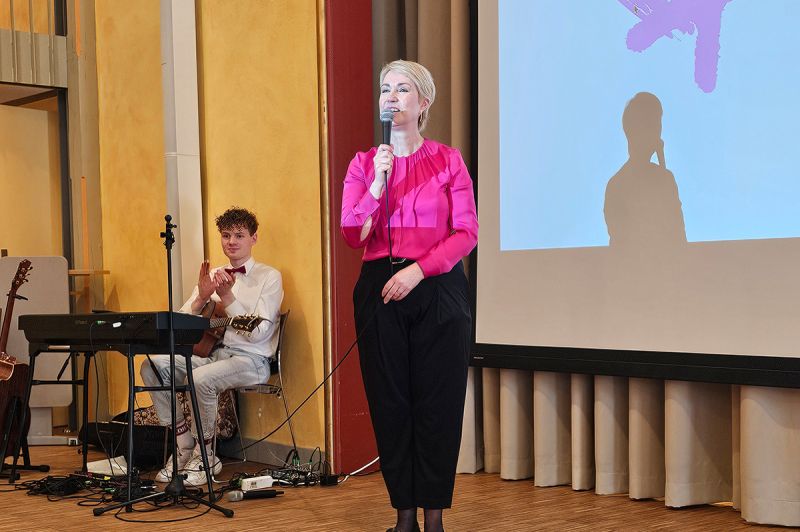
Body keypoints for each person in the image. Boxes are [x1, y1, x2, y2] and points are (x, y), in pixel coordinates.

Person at [341, 60, 478, 532]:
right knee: (391, 404)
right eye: (386, 89)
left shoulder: (448, 160)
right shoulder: (363, 164)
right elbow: (353, 234)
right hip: (379, 289)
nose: (392, 96)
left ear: (423, 103)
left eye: (403, 89)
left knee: (438, 405)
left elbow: (466, 232)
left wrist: (419, 271)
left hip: (436, 287)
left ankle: (434, 518)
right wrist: (377, 184)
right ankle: (404, 518)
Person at [141, 207, 283, 486]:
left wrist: (227, 298)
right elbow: (180, 325)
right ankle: (183, 444)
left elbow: (259, 335)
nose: (232, 241)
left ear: (253, 238)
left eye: (239, 235)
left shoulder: (270, 277)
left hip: (252, 360)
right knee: (152, 366)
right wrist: (200, 298)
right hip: (214, 356)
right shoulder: (215, 274)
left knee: (200, 379)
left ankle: (205, 454)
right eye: (226, 235)